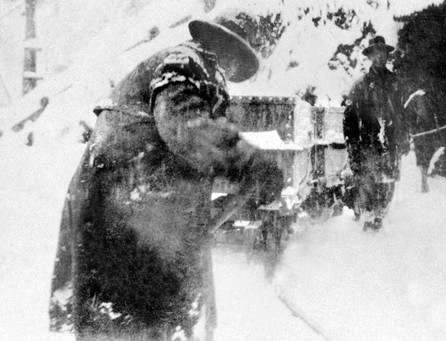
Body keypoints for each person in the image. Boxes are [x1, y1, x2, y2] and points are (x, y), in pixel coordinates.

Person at [49, 10, 283, 341]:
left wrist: (243, 175)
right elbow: (182, 127)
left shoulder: (200, 72)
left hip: (135, 206)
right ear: (220, 45)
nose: (234, 69)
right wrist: (247, 163)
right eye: (236, 56)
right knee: (133, 320)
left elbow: (195, 149)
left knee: (144, 321)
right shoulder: (185, 61)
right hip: (127, 204)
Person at [343, 36, 409, 231]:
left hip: (391, 145)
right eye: (376, 53)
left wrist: (403, 137)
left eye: (383, 53)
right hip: (368, 145)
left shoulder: (396, 83)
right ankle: (367, 228)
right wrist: (353, 149)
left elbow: (403, 114)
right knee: (368, 190)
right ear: (370, 57)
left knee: (388, 189)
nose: (380, 57)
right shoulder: (360, 85)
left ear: (387, 56)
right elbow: (349, 121)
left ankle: (379, 226)